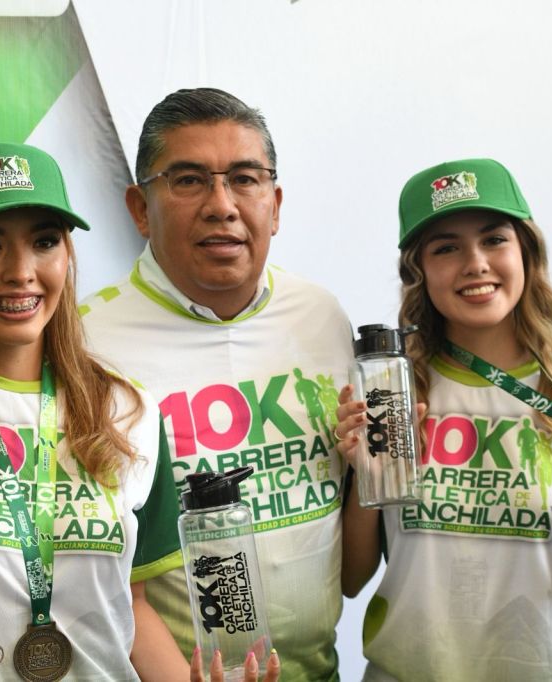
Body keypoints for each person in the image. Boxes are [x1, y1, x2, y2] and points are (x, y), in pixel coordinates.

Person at [336, 158, 552, 681]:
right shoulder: (390, 393)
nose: (475, 263)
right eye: (446, 248)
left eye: (494, 240)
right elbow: (352, 578)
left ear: (525, 251)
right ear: (418, 271)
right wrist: (367, 472)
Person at [0, 143, 209, 681]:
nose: (21, 271)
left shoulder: (128, 409)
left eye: (44, 242)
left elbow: (130, 607)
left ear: (67, 255)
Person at [80, 88, 348, 681]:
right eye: (189, 180)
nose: (222, 205)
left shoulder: (322, 317)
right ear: (140, 208)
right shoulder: (85, 345)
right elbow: (94, 566)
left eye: (245, 179)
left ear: (275, 204)